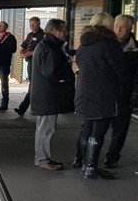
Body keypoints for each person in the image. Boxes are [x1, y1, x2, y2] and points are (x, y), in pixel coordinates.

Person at [73, 11, 125, 179]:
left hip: (83, 91)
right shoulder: (110, 44)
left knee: (88, 126)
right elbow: (119, 69)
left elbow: (79, 64)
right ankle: (91, 167)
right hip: (104, 93)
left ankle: (83, 163)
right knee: (99, 130)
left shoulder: (84, 44)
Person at [31, 18, 74, 171]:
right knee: (46, 129)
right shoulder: (49, 48)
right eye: (63, 30)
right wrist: (67, 74)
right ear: (55, 31)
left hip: (45, 96)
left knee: (44, 129)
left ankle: (43, 158)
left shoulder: (46, 46)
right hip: (47, 96)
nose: (65, 34)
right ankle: (42, 159)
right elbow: (52, 73)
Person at [103, 14, 137, 168]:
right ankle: (87, 155)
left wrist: (134, 97)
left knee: (120, 129)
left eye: (123, 28)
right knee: (98, 126)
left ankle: (112, 157)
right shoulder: (106, 45)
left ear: (130, 29)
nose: (118, 30)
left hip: (125, 95)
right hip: (105, 94)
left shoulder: (136, 50)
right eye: (116, 27)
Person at [14, 16, 45, 117]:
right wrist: (22, 52)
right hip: (30, 62)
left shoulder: (43, 35)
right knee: (32, 85)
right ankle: (24, 108)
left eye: (34, 24)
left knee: (34, 85)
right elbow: (24, 45)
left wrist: (30, 53)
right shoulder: (30, 35)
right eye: (30, 24)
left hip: (37, 63)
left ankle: (24, 108)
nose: (32, 26)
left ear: (39, 24)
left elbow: (41, 50)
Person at [0, 20, 17, 111]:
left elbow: (13, 49)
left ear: (5, 28)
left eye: (1, 25)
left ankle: (4, 103)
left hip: (4, 63)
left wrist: (1, 47)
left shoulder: (10, 38)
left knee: (4, 84)